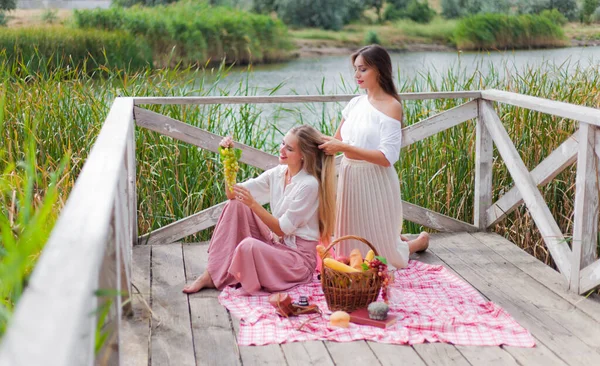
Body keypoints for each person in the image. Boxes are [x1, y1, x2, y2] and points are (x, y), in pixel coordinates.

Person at [183, 125, 336, 294]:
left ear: (303, 156)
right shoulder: (278, 173)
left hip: (296, 261)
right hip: (276, 245)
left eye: (289, 148)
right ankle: (210, 274)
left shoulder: (309, 185)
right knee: (235, 205)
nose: (282, 150)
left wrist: (254, 205)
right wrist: (228, 159)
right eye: (283, 143)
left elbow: (282, 229)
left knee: (248, 246)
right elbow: (232, 193)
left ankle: (231, 274)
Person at [318, 45, 429, 270]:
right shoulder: (355, 103)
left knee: (383, 258)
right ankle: (400, 241)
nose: (356, 75)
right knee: (348, 253)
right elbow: (336, 140)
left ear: (379, 70)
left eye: (363, 70)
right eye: (355, 69)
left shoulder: (391, 106)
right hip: (350, 177)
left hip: (375, 180)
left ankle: (417, 243)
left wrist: (343, 146)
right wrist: (303, 137)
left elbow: (387, 157)